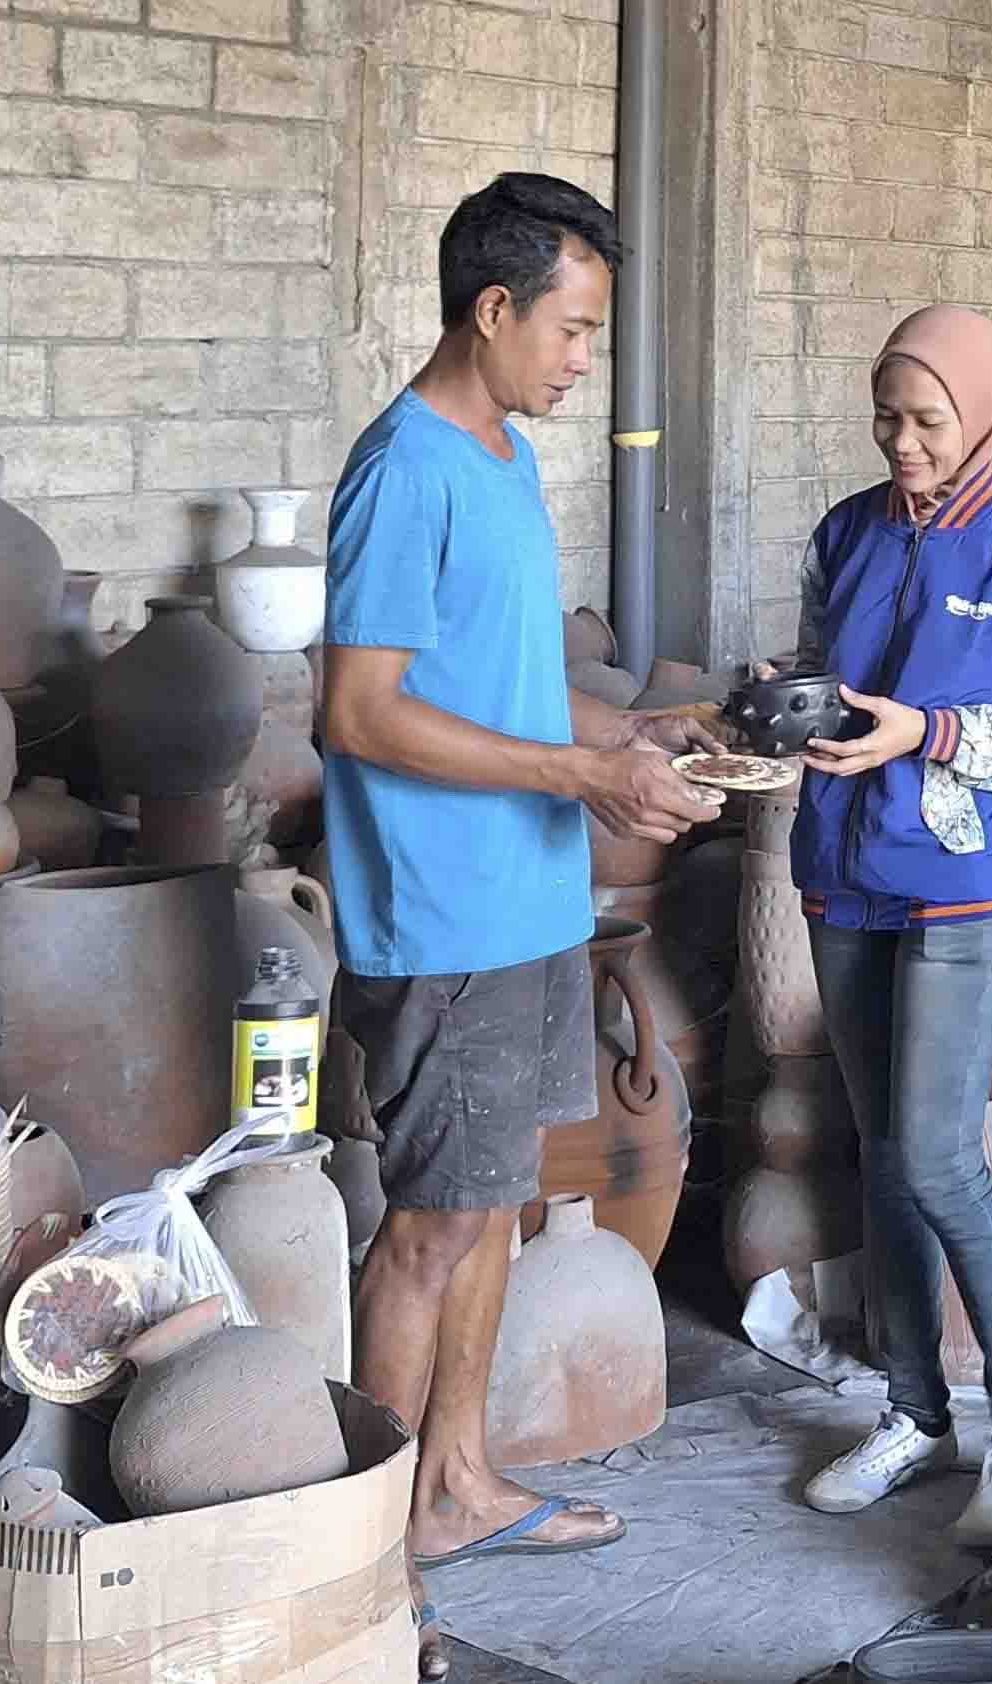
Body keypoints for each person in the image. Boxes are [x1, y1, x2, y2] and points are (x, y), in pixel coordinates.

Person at [315, 171, 725, 1678]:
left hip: (531, 894)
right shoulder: (404, 467)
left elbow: (493, 682)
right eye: (570, 326)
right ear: (491, 309)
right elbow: (357, 711)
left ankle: (459, 1481)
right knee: (428, 1230)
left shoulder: (498, 458)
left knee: (491, 1205)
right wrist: (575, 770)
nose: (579, 359)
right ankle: (361, 1572)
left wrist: (649, 741)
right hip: (445, 916)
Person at [787, 303, 992, 1544]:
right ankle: (913, 1411)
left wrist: (922, 733)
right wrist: (771, 719)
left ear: (982, 411)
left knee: (935, 1154)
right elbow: (821, 671)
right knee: (879, 1152)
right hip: (844, 865)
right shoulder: (843, 534)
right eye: (886, 417)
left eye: (926, 419)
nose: (903, 443)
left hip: (965, 881)